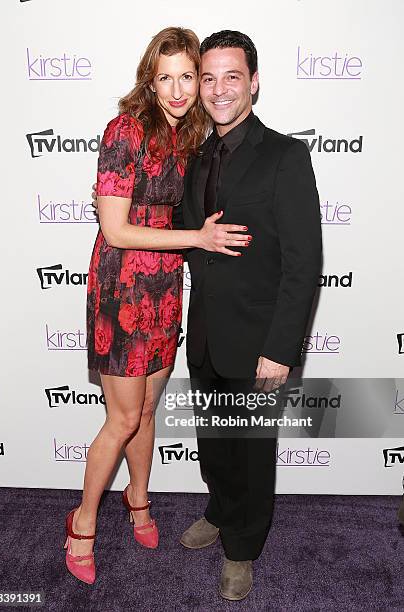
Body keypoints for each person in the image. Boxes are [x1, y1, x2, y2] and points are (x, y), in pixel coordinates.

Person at [64, 27, 251, 585]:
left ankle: (138, 499)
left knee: (146, 409)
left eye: (187, 77)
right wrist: (197, 237)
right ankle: (82, 522)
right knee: (121, 418)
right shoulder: (126, 131)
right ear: (150, 79)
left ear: (198, 80)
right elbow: (116, 231)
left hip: (166, 288)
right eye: (165, 77)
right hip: (122, 289)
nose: (176, 89)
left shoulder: (188, 137)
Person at [174, 30, 323, 601]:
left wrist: (281, 348)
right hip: (208, 334)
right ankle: (218, 509)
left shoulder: (285, 155)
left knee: (252, 451)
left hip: (260, 339)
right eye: (207, 78)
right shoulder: (197, 156)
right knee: (215, 442)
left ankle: (243, 548)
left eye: (231, 76)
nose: (217, 90)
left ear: (253, 82)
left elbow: (303, 261)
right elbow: (196, 240)